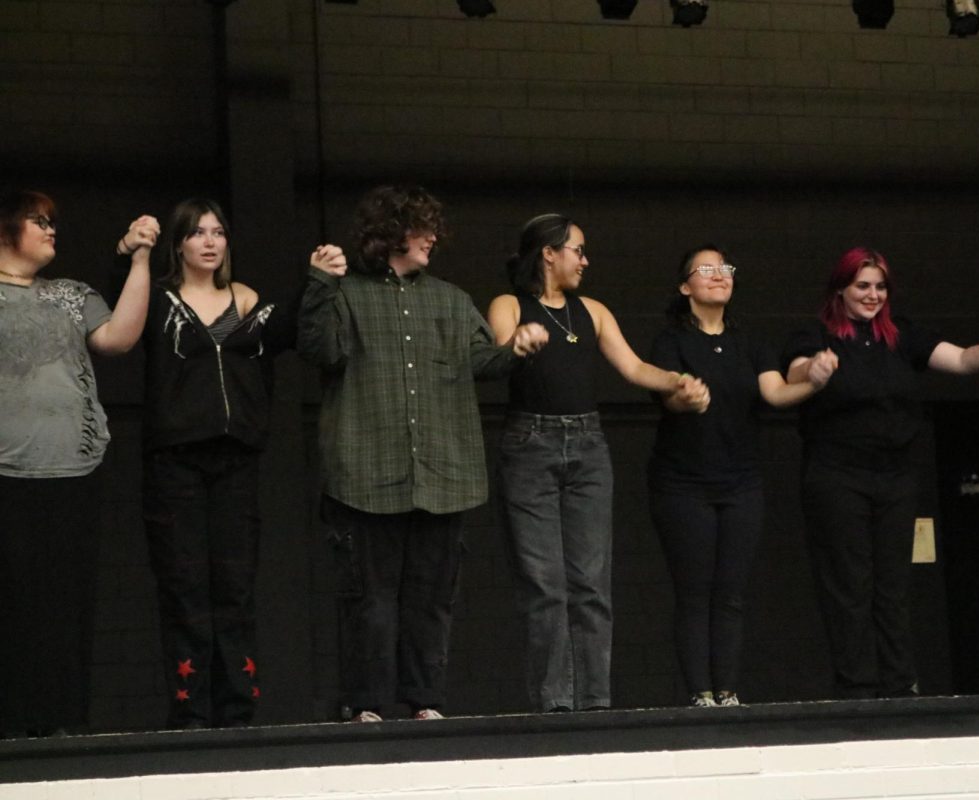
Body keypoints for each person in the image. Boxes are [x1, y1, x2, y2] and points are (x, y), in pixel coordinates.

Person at [298, 185, 547, 722]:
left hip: (441, 476)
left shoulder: (451, 300)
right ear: (390, 234)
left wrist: (517, 350)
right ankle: (363, 705)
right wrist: (319, 283)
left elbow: (485, 361)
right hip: (365, 475)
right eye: (421, 228)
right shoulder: (346, 294)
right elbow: (320, 350)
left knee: (431, 601)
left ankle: (424, 702)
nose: (433, 238)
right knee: (369, 601)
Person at [784, 246, 979, 699]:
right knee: (849, 582)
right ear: (841, 289)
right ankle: (857, 684)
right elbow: (797, 369)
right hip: (838, 473)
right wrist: (814, 372)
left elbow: (958, 359)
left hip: (894, 474)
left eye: (880, 287)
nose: (872, 295)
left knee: (893, 582)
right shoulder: (815, 334)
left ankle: (900, 683)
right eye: (863, 286)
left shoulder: (901, 335)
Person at [487, 213, 708, 713]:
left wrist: (677, 380)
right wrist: (519, 343)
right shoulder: (509, 303)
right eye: (578, 250)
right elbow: (499, 352)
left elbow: (632, 368)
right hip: (531, 442)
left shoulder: (594, 310)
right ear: (549, 252)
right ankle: (554, 705)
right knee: (545, 586)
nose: (585, 260)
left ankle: (595, 704)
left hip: (587, 444)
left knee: (590, 583)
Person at [648, 245, 837, 708]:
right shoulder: (671, 340)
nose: (719, 275)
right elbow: (668, 395)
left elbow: (775, 394)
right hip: (683, 483)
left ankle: (728, 694)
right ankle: (700, 694)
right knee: (695, 591)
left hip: (740, 483)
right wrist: (684, 396)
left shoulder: (749, 342)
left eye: (725, 268)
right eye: (707, 269)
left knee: (730, 593)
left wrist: (815, 379)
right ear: (685, 285)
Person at [135, 198, 298, 729]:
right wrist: (132, 252)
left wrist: (320, 279)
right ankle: (189, 712)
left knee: (235, 585)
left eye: (219, 232)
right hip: (177, 459)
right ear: (179, 243)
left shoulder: (245, 299)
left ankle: (237, 708)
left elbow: (286, 336)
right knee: (184, 584)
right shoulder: (160, 299)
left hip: (235, 458)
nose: (210, 241)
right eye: (198, 233)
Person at [0, 190, 157, 736]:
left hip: (71, 469)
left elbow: (119, 336)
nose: (50, 230)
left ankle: (63, 727)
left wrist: (139, 259)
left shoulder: (70, 294)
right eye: (36, 220)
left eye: (52, 221)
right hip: (6, 474)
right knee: (12, 607)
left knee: (65, 607)